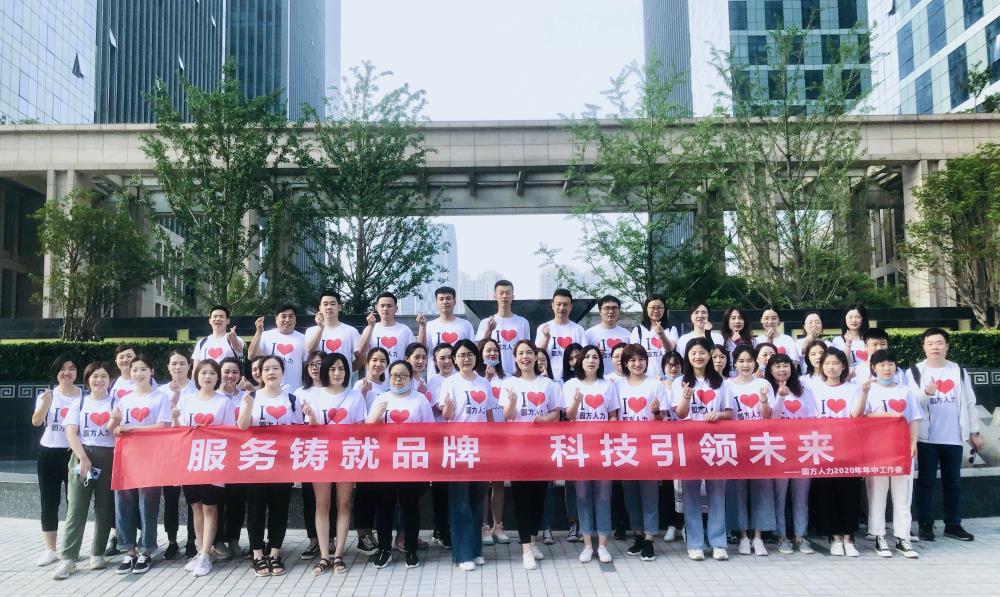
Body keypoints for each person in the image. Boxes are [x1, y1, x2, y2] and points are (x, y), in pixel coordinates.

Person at [906, 327, 982, 542]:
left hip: (954, 437)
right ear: (924, 347)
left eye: (939, 343)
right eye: (930, 343)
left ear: (947, 346)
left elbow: (970, 402)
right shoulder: (914, 371)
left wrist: (974, 432)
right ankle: (925, 525)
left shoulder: (958, 371)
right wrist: (926, 392)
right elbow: (910, 403)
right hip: (926, 438)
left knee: (953, 483)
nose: (935, 347)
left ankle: (953, 524)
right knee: (926, 482)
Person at [237, 355, 304, 577]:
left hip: (282, 463)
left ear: (283, 372)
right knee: (255, 509)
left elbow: (298, 431)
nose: (271, 373)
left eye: (275, 368)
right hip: (255, 462)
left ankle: (275, 553)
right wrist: (247, 407)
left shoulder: (291, 399)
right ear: (259, 373)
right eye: (266, 369)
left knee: (279, 509)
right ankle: (257, 554)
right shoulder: (251, 397)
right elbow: (242, 426)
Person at [301, 352, 367, 575]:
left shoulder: (355, 396)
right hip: (321, 455)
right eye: (332, 369)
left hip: (347, 455)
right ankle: (324, 555)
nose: (337, 373)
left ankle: (339, 554)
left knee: (344, 504)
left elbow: (361, 428)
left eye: (341, 368)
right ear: (324, 371)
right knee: (322, 505)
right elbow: (311, 430)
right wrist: (310, 416)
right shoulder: (316, 396)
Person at [366, 360, 435, 569]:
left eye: (403, 375)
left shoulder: (420, 399)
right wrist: (376, 416)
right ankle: (384, 549)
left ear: (410, 378)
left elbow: (430, 431)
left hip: (411, 462)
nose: (398, 379)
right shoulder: (381, 399)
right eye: (394, 375)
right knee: (384, 507)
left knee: (410, 506)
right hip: (385, 462)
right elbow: (367, 431)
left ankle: (411, 548)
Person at [171, 359, 237, 577]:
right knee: (196, 507)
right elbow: (178, 431)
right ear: (196, 376)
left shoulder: (224, 402)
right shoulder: (187, 399)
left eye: (212, 373)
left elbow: (230, 432)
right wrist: (175, 419)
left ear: (218, 377)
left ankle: (207, 554)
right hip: (191, 460)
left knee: (210, 507)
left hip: (214, 460)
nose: (207, 377)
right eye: (203, 373)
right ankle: (201, 551)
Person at [51, 362, 116, 580]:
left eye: (103, 376)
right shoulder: (79, 403)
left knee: (105, 507)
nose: (99, 380)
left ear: (110, 380)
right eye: (95, 376)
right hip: (82, 456)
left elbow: (120, 430)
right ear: (88, 379)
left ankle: (97, 553)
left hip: (109, 457)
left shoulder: (116, 402)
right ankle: (68, 558)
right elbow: (71, 433)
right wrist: (83, 458)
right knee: (76, 508)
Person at [108, 355, 172, 574]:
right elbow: (113, 426)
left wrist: (131, 429)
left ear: (151, 371)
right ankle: (129, 550)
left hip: (151, 458)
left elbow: (162, 426)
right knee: (123, 502)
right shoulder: (124, 400)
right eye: (134, 369)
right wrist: (116, 425)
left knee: (148, 503)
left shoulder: (161, 397)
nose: (138, 373)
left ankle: (146, 550)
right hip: (127, 457)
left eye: (143, 369)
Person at [673, 337, 735, 561]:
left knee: (717, 493)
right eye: (693, 353)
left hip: (715, 444)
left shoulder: (720, 382)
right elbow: (680, 414)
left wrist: (718, 415)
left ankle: (718, 543)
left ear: (709, 355)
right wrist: (686, 397)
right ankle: (695, 543)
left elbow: (729, 412)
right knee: (690, 495)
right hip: (690, 444)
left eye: (702, 352)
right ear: (687, 357)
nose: (698, 356)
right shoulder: (680, 382)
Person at [501, 340, 561, 569]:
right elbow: (508, 415)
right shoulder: (510, 383)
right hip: (518, 450)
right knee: (521, 498)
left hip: (542, 449)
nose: (525, 357)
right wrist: (513, 403)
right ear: (515, 358)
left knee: (538, 497)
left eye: (529, 352)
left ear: (536, 357)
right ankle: (526, 548)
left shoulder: (548, 384)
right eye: (520, 353)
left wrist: (545, 418)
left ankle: (533, 541)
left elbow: (556, 412)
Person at [439, 339, 497, 571]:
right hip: (458, 446)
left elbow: (489, 414)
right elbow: (446, 417)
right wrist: (448, 409)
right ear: (455, 359)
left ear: (476, 357)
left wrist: (492, 442)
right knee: (460, 501)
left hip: (480, 446)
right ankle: (462, 555)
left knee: (477, 499)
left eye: (470, 354)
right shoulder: (449, 383)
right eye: (461, 355)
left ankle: (475, 550)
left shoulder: (484, 383)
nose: (466, 358)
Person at [861, 349, 921, 559]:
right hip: (877, 449)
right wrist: (886, 415)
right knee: (877, 494)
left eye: (890, 364)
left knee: (902, 495)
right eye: (882, 364)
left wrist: (913, 442)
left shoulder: (906, 391)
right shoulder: (868, 390)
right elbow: (859, 416)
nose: (886, 368)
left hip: (901, 449)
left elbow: (914, 417)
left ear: (896, 367)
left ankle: (903, 538)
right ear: (873, 368)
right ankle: (879, 536)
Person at [564, 345, 621, 564]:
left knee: (604, 495)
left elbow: (613, 415)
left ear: (600, 362)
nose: (590, 360)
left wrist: (611, 426)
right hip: (579, 447)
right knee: (582, 495)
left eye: (595, 357)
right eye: (586, 357)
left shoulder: (608, 385)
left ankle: (603, 544)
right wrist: (576, 402)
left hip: (603, 447)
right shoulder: (571, 385)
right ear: (580, 361)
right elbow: (568, 417)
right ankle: (587, 543)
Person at [615, 344, 669, 562]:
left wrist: (656, 412)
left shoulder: (655, 385)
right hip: (625, 447)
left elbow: (663, 419)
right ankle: (637, 533)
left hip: (648, 446)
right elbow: (614, 415)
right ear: (625, 363)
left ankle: (649, 538)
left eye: (641, 359)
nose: (637, 364)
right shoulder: (617, 385)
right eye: (632, 360)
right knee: (630, 494)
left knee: (649, 494)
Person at [808, 348, 862, 557]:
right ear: (821, 366)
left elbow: (856, 415)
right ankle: (834, 537)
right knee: (827, 492)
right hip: (822, 447)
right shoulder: (814, 389)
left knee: (849, 492)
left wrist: (865, 393)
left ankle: (849, 536)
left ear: (843, 366)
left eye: (836, 363)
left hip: (848, 447)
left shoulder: (853, 389)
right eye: (827, 363)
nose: (831, 367)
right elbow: (810, 418)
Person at [724, 345, 775, 556]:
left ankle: (758, 536)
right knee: (738, 491)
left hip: (760, 443)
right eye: (741, 361)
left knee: (762, 490)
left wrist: (763, 400)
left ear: (755, 362)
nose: (745, 365)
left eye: (749, 360)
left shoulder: (763, 383)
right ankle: (743, 536)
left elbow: (768, 415)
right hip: (736, 444)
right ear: (734, 363)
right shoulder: (727, 385)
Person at [764, 353, 817, 555]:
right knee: (779, 495)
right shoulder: (767, 389)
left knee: (801, 496)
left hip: (802, 448)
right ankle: (781, 536)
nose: (782, 369)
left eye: (785, 365)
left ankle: (801, 536)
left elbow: (812, 416)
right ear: (770, 370)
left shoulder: (803, 389)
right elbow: (772, 418)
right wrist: (780, 397)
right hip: (778, 449)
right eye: (777, 366)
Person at [32, 353, 81, 567]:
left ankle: (71, 548)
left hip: (73, 454)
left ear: (77, 372)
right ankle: (50, 549)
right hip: (49, 453)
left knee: (74, 502)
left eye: (71, 368)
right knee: (49, 501)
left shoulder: (83, 396)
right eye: (62, 369)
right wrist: (46, 404)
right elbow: (36, 421)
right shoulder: (47, 395)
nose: (66, 372)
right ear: (56, 373)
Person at [351, 347, 389, 556]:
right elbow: (355, 413)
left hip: (386, 446)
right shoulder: (360, 385)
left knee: (381, 492)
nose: (378, 364)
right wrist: (363, 394)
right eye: (374, 360)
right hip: (365, 445)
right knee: (364, 491)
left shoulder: (389, 385)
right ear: (367, 362)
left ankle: (376, 534)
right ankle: (363, 535)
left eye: (382, 360)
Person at [160, 351, 198, 560]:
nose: (178, 367)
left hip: (192, 451)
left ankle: (192, 540)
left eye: (182, 363)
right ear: (167, 366)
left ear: (189, 366)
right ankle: (172, 540)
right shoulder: (160, 391)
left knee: (193, 499)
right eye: (174, 363)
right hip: (169, 453)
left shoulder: (197, 388)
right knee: (171, 499)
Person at [475, 337, 510, 545]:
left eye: (495, 350)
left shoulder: (507, 378)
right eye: (488, 350)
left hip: (502, 437)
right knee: (482, 483)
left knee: (499, 483)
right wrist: (486, 380)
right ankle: (484, 525)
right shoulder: (476, 379)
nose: (492, 354)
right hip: (481, 438)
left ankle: (498, 525)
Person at [292, 350, 326, 561]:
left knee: (329, 497)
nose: (315, 368)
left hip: (331, 449)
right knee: (309, 497)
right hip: (307, 449)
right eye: (311, 364)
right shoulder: (299, 393)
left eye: (319, 363)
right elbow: (295, 423)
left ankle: (330, 539)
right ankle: (314, 540)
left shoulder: (334, 390)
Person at [218, 357, 249, 559]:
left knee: (237, 500)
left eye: (235, 372)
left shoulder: (246, 397)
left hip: (241, 456)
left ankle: (234, 539)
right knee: (218, 501)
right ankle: (217, 540)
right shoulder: (213, 395)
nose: (230, 376)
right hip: (218, 456)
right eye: (226, 371)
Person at [427, 343, 456, 548]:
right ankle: (441, 529)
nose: (446, 362)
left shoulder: (461, 378)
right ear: (435, 361)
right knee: (440, 487)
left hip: (461, 439)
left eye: (449, 357)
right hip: (440, 440)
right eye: (441, 358)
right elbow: (439, 407)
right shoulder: (434, 381)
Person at [476, 279, 531, 374]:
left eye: (508, 293)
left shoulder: (523, 322)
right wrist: (489, 330)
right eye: (501, 293)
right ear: (495, 296)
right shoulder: (486, 322)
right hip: (494, 374)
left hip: (517, 373)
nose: (504, 296)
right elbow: (480, 350)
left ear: (513, 296)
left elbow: (527, 349)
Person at [248, 303, 307, 389]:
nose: (287, 320)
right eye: (283, 316)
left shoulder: (303, 338)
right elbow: (251, 356)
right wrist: (258, 332)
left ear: (295, 320)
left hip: (295, 389)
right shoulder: (265, 335)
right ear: (276, 319)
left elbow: (307, 364)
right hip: (269, 388)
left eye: (291, 316)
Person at [659, 350, 685, 543]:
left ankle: (684, 524)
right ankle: (671, 524)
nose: (673, 368)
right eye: (669, 364)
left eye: (676, 364)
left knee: (685, 484)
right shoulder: (658, 385)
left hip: (685, 439)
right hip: (665, 440)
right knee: (668, 485)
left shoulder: (687, 384)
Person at [535, 288, 587, 380]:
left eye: (565, 304)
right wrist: (546, 337)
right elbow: (537, 354)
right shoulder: (543, 327)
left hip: (573, 379)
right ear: (553, 305)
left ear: (571, 306)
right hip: (549, 378)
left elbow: (584, 356)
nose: (562, 308)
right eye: (558, 304)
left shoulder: (578, 329)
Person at [425, 286, 475, 375]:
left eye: (448, 298)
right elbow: (423, 349)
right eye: (441, 299)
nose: (445, 302)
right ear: (436, 302)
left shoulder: (465, 325)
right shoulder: (429, 326)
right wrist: (422, 326)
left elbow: (472, 351)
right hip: (435, 376)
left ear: (454, 302)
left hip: (460, 375)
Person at [304, 290, 362, 367]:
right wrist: (320, 328)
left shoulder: (351, 331)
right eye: (325, 304)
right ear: (320, 308)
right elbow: (309, 351)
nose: (329, 307)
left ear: (339, 307)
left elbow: (362, 359)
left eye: (332, 304)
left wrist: (346, 370)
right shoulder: (310, 331)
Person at [358, 292, 421, 362]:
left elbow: (412, 355)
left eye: (389, 306)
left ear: (396, 309)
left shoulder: (405, 330)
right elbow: (360, 352)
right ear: (376, 308)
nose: (385, 309)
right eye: (382, 306)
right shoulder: (369, 329)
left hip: (398, 369)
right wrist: (370, 327)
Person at [630, 294, 678, 376]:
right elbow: (634, 356)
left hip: (668, 377)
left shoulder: (671, 329)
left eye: (660, 307)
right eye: (652, 307)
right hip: (645, 377)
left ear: (664, 309)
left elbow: (670, 349)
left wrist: (661, 335)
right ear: (646, 309)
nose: (656, 311)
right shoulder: (638, 331)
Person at [586, 295, 631, 373]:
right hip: (598, 377)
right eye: (607, 308)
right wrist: (593, 353)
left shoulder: (627, 334)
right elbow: (583, 358)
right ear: (600, 311)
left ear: (619, 311)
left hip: (622, 377)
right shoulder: (589, 334)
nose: (611, 311)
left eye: (614, 308)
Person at [832, 305, 870, 371]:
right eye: (850, 317)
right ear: (845, 319)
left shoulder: (870, 339)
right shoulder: (838, 341)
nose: (853, 320)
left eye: (857, 317)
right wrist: (848, 343)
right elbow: (842, 364)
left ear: (863, 319)